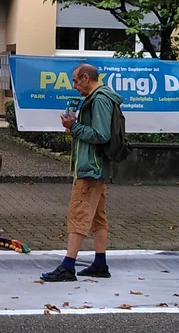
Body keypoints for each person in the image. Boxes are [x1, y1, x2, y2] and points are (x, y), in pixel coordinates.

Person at [41, 63, 122, 282]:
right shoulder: (100, 97)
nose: (75, 86)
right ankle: (100, 263)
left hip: (90, 168)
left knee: (78, 213)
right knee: (97, 216)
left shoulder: (100, 99)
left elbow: (101, 134)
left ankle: (68, 266)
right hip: (96, 166)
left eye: (76, 81)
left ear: (86, 78)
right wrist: (75, 128)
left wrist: (74, 127)